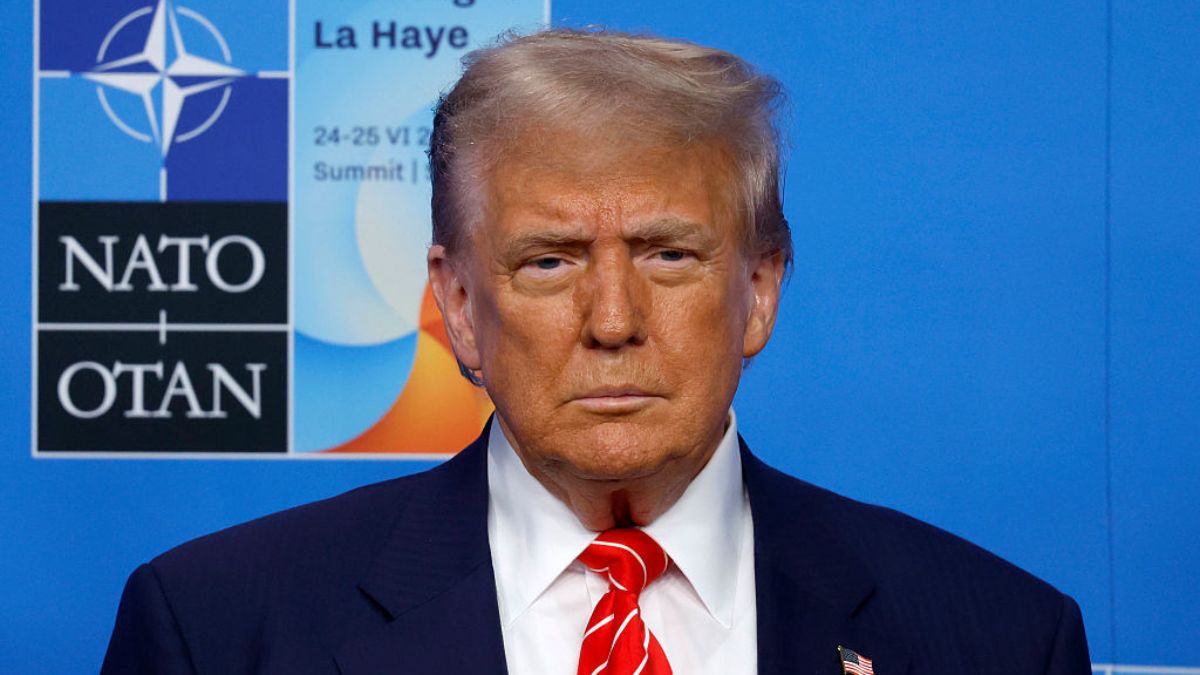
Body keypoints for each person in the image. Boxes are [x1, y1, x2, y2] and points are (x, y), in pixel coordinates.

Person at [101, 29, 1091, 674]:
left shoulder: (1000, 640)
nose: (612, 319)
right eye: (548, 261)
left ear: (758, 290)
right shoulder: (216, 631)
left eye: (669, 255)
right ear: (458, 305)